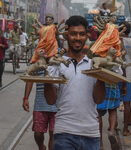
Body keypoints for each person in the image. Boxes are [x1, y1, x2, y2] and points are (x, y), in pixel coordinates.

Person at [44, 15, 106, 150]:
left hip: (91, 134)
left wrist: (101, 73)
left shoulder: (93, 64)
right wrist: (46, 73)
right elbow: (50, 100)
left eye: (82, 34)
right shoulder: (57, 64)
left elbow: (99, 99)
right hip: (64, 133)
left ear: (87, 36)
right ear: (66, 36)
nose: (77, 38)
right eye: (73, 34)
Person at [23, 71, 57, 150]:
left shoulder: (61, 60)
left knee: (54, 133)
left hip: (57, 104)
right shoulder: (37, 60)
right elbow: (30, 79)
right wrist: (25, 98)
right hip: (40, 103)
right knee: (38, 133)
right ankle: (41, 146)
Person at [119, 21, 131, 136]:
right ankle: (125, 129)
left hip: (115, 74)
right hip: (129, 75)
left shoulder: (115, 41)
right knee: (127, 104)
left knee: (113, 102)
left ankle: (112, 124)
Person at [97, 83, 120, 150]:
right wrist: (124, 86)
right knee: (113, 109)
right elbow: (121, 73)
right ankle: (112, 131)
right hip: (112, 84)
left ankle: (100, 143)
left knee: (98, 113)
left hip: (100, 85)